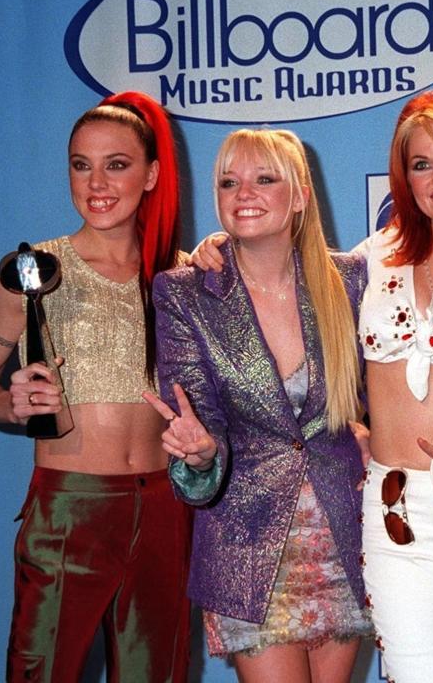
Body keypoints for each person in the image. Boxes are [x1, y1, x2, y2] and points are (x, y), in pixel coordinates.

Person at [190, 89, 433, 682]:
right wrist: (225, 247)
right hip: (396, 515)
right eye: (421, 164)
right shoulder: (369, 261)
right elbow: (281, 274)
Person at [142, 129, 372, 683]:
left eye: (264, 179)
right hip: (248, 542)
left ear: (298, 195)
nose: (244, 192)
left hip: (344, 537)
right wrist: (198, 457)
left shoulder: (353, 281)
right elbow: (200, 420)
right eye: (229, 181)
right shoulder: (185, 292)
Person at [0, 92, 191, 681]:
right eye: (81, 164)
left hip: (164, 510)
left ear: (151, 174)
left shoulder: (181, 278)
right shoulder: (28, 271)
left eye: (116, 164)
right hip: (67, 508)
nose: (96, 182)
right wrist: (13, 404)